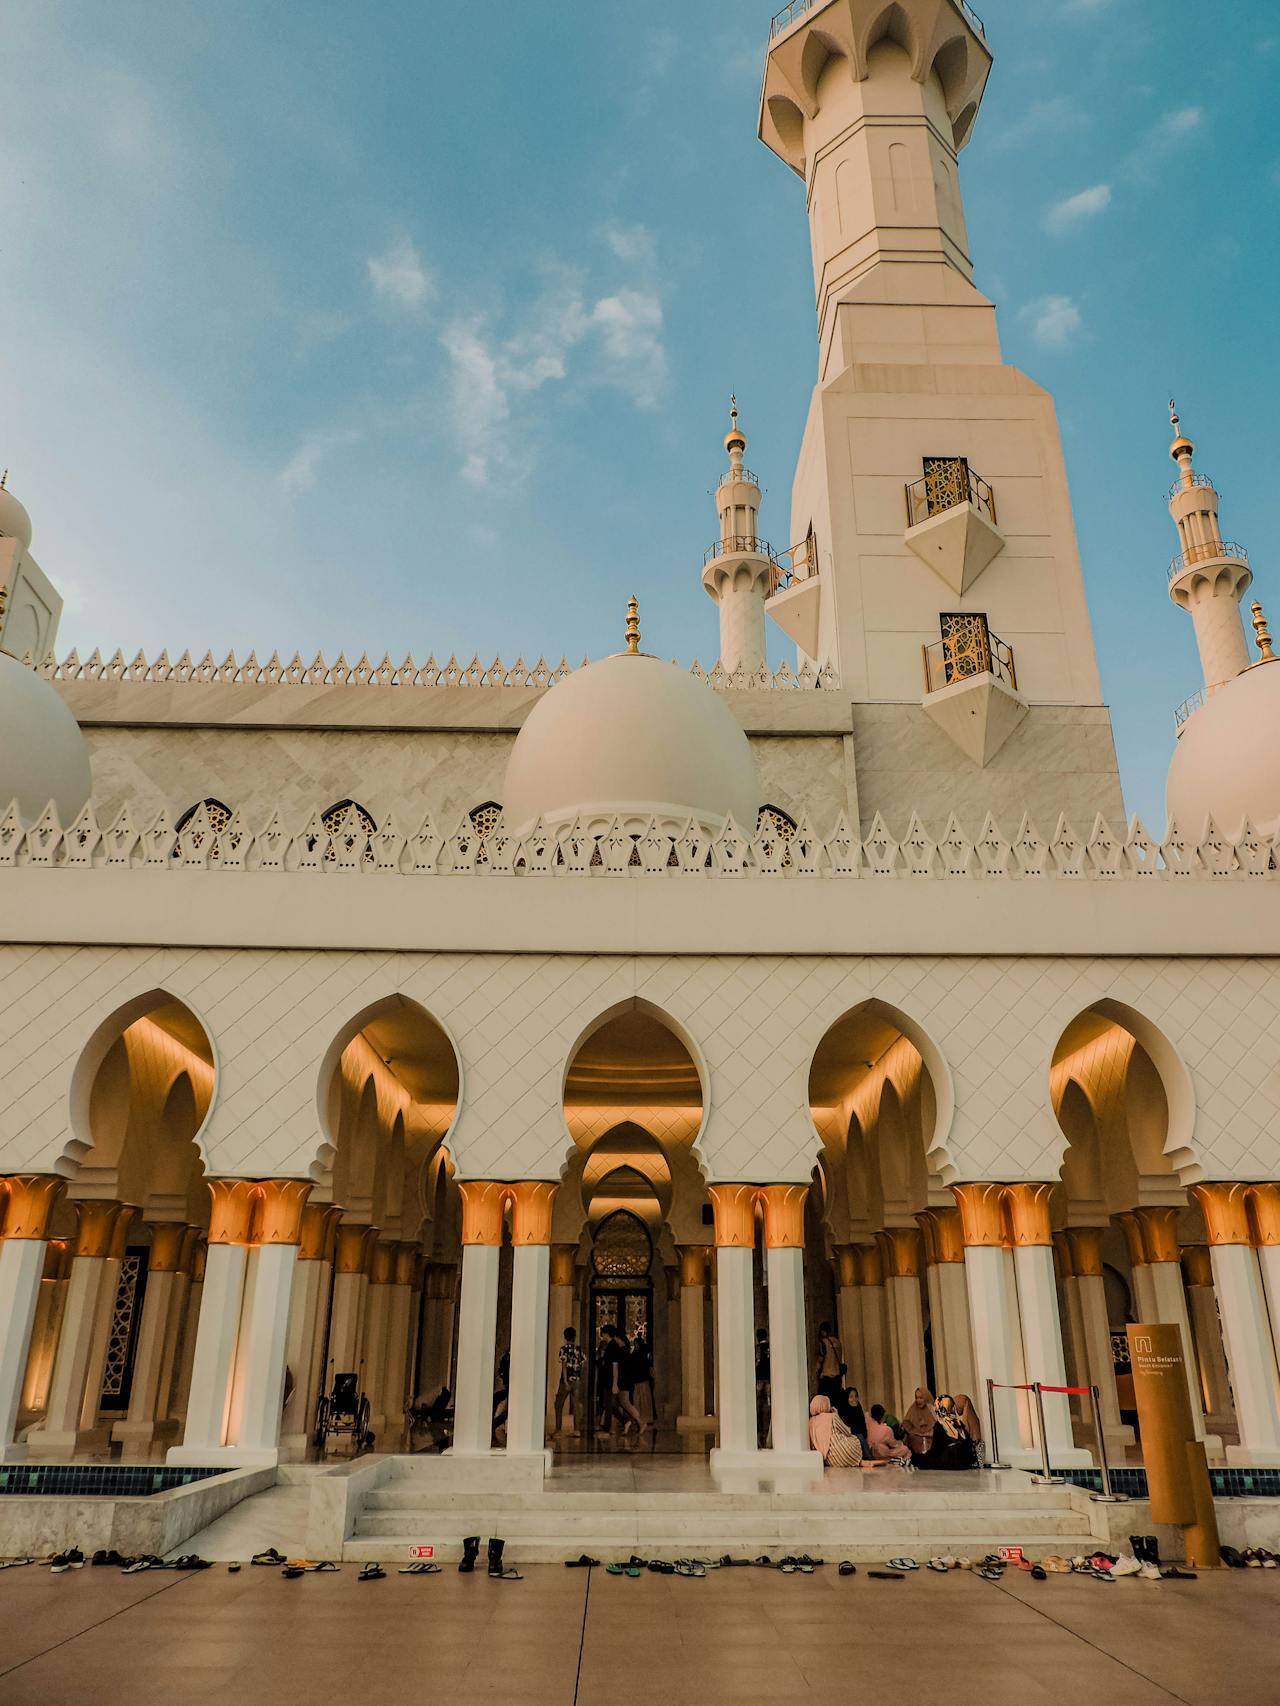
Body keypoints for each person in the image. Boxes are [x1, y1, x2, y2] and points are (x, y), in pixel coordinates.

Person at [911, 1393, 978, 1471]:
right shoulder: (957, 1423)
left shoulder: (941, 1424)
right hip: (964, 1460)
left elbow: (935, 1450)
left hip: (952, 1460)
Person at [554, 1327, 583, 1436]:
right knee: (575, 1405)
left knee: (559, 1404)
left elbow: (564, 1366)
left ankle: (558, 1428)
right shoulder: (579, 1349)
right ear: (574, 1336)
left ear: (565, 1337)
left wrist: (565, 1381)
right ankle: (577, 1429)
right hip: (576, 1379)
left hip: (566, 1380)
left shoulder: (563, 1349)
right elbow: (582, 1363)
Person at [629, 1330, 656, 1428]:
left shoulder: (637, 1355)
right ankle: (643, 1417)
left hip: (640, 1379)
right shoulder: (643, 1355)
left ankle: (641, 1417)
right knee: (642, 1400)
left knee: (640, 1400)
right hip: (641, 1379)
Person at [814, 1323, 844, 1407]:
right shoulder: (838, 1342)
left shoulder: (823, 1342)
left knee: (825, 1402)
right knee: (837, 1402)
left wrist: (816, 1371)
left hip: (827, 1376)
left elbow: (821, 1358)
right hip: (837, 1376)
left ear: (823, 1331)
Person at [902, 1386, 936, 1457]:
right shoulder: (913, 1408)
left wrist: (929, 1432)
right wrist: (916, 1432)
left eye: (921, 1398)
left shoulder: (932, 1409)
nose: (918, 1400)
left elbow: (938, 1424)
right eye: (917, 1398)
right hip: (917, 1438)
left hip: (931, 1436)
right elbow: (906, 1423)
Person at [755, 1328, 771, 1446]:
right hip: (770, 1379)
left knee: (758, 1404)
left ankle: (759, 1429)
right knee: (769, 1403)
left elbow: (755, 1363)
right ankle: (768, 1427)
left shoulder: (757, 1349)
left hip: (759, 1379)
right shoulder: (771, 1347)